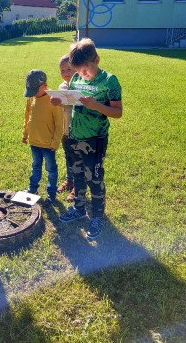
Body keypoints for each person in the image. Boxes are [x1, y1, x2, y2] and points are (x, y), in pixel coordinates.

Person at [52, 38, 122, 240]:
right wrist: (60, 101)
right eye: (78, 71)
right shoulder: (76, 79)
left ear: (97, 60)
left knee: (95, 179)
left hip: (95, 139)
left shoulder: (109, 81)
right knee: (77, 176)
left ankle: (97, 216)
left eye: (86, 70)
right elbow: (73, 101)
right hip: (75, 136)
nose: (82, 74)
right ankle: (79, 208)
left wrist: (96, 105)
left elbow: (117, 112)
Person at [22, 69, 63, 206]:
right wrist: (25, 134)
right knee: (35, 166)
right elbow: (28, 117)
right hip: (34, 141)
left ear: (45, 85)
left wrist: (55, 142)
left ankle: (51, 193)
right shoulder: (31, 98)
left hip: (48, 145)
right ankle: (32, 188)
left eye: (35, 89)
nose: (32, 93)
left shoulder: (54, 101)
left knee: (51, 169)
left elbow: (59, 124)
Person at [56, 54, 75, 202]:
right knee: (68, 156)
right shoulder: (61, 87)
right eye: (62, 71)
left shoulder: (81, 85)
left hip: (78, 131)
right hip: (65, 130)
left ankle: (78, 186)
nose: (66, 73)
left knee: (78, 158)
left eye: (69, 69)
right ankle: (70, 180)